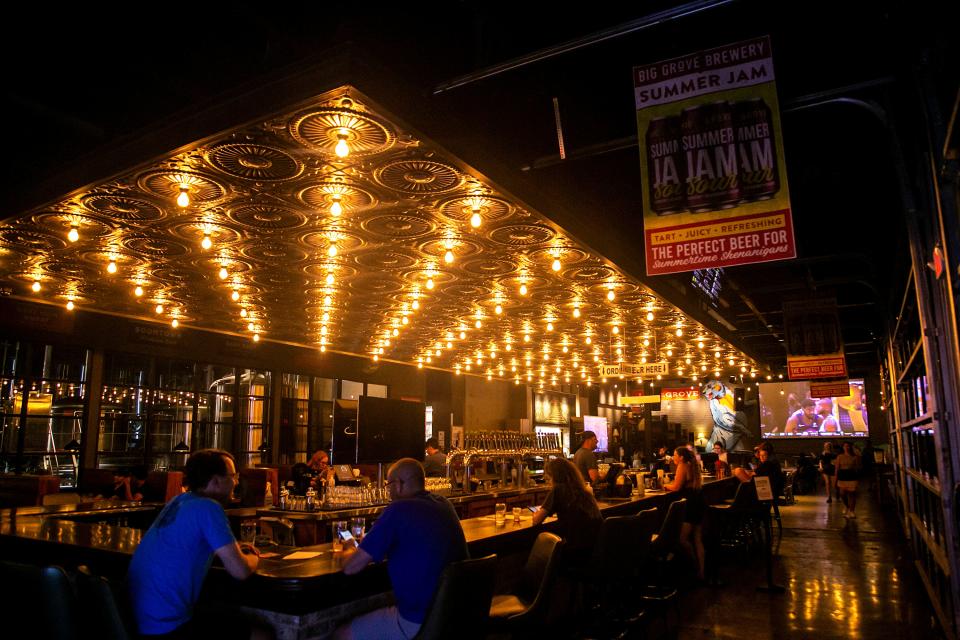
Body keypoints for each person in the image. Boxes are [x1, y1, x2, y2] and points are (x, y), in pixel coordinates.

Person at [127, 449, 260, 638]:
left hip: (137, 619)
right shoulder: (209, 507)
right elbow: (241, 571)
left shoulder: (179, 501)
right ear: (215, 481)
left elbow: (184, 545)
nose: (235, 482)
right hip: (166, 626)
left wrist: (230, 549)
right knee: (262, 634)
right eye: (232, 476)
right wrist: (254, 557)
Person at [335, 458, 467, 640]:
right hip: (456, 615)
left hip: (420, 621)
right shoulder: (445, 504)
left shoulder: (398, 509)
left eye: (389, 485)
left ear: (398, 485)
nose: (388, 491)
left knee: (342, 634)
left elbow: (351, 567)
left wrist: (348, 548)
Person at [532, 458, 602, 560]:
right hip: (594, 550)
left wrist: (536, 514)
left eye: (549, 478)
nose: (550, 482)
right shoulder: (584, 491)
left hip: (574, 553)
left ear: (555, 476)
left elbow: (536, 521)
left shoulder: (558, 489)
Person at [664, 447, 706, 581]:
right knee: (697, 539)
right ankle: (702, 572)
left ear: (681, 457)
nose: (673, 457)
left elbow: (676, 487)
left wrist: (664, 485)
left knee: (682, 539)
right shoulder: (692, 464)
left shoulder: (682, 465)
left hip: (690, 504)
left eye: (675, 455)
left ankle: (693, 568)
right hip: (698, 500)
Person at [835, 441, 861, 518]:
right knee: (842, 494)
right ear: (843, 447)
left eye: (848, 446)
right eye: (845, 446)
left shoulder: (855, 457)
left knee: (852, 494)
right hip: (843, 476)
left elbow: (858, 467)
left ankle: (852, 511)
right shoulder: (840, 456)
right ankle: (847, 506)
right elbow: (837, 468)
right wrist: (836, 479)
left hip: (851, 476)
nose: (847, 448)